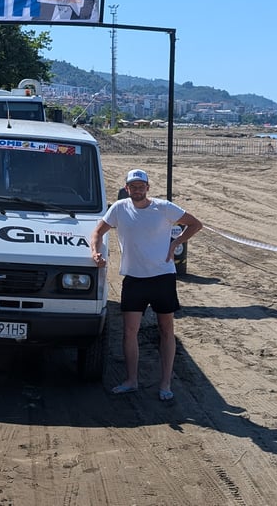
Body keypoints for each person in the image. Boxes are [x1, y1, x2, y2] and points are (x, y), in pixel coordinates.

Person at [89, 168, 203, 402]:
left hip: (162, 277)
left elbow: (195, 224)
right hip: (134, 279)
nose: (137, 190)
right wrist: (95, 252)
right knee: (130, 331)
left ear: (148, 188)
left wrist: (176, 243)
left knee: (166, 330)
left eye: (141, 186)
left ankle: (166, 383)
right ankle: (131, 380)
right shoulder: (119, 208)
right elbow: (98, 232)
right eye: (133, 186)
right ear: (127, 188)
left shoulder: (163, 207)